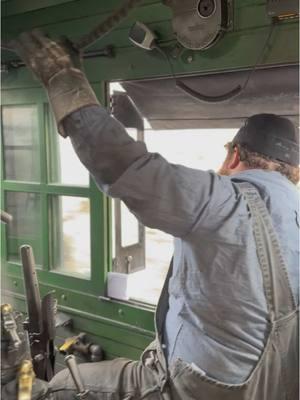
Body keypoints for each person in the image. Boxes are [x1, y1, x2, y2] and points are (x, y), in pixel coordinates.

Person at [11, 30, 299, 400]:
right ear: (294, 172)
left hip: (193, 386)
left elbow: (124, 167)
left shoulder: (226, 202)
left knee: (59, 388)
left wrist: (62, 79)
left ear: (233, 156)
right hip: (268, 386)